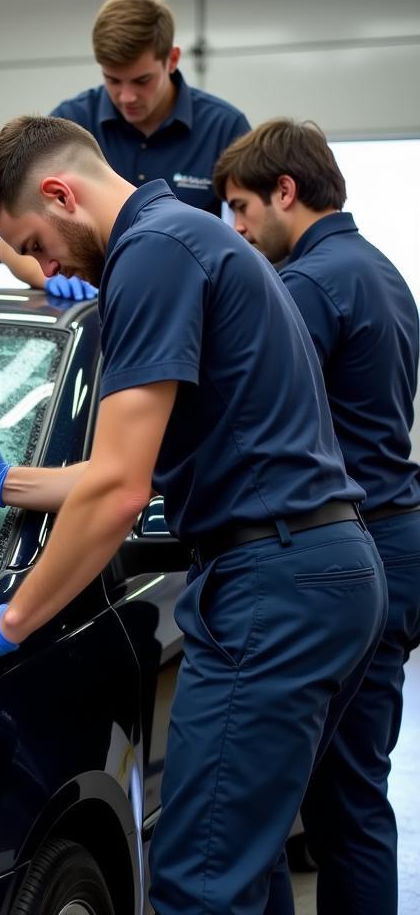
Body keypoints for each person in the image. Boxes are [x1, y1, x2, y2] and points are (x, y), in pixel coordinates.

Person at [0, 115, 386, 914]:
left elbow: (121, 493)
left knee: (198, 882)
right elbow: (136, 471)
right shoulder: (184, 239)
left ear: (60, 194)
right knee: (248, 864)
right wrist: (8, 485)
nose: (45, 267)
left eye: (36, 242)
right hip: (313, 569)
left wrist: (12, 623)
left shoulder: (152, 254)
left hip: (275, 582)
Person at [215, 118, 420, 914]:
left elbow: (251, 414)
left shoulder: (306, 285)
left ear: (285, 193)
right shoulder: (382, 270)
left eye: (239, 208)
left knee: (276, 805)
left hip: (342, 549)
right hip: (398, 537)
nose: (235, 229)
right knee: (354, 798)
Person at [0, 0, 250, 296]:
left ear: (171, 60)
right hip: (98, 305)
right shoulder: (69, 125)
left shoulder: (223, 127)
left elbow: (253, 232)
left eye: (142, 80)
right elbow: (15, 240)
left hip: (187, 300)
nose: (126, 97)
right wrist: (52, 279)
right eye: (113, 80)